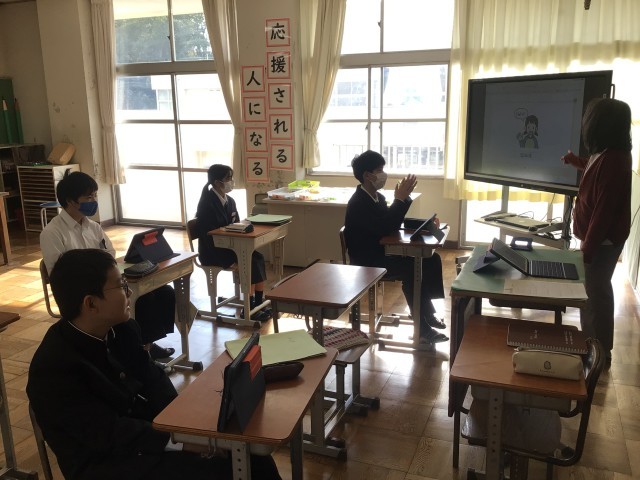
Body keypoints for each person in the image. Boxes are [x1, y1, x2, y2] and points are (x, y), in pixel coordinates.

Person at [26, 249, 281, 480]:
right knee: (221, 469)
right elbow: (107, 433)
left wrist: (185, 425)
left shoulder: (122, 330)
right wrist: (181, 441)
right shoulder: (53, 368)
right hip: (107, 463)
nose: (128, 292)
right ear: (91, 303)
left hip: (146, 440)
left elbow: (153, 379)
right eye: (121, 286)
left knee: (250, 454)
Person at [40, 171, 175, 360]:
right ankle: (138, 353)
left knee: (162, 292)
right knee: (141, 301)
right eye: (89, 197)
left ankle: (146, 346)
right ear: (70, 201)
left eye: (95, 195)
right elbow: (60, 275)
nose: (94, 200)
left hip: (104, 285)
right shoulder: (52, 233)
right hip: (81, 295)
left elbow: (109, 254)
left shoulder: (93, 227)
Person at [344, 150, 448, 344]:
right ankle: (422, 328)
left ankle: (427, 313)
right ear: (367, 175)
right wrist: (400, 199)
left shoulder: (377, 197)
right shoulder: (359, 203)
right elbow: (385, 227)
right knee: (412, 270)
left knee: (431, 259)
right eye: (379, 170)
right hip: (367, 262)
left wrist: (423, 222)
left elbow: (392, 222)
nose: (383, 174)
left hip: (381, 253)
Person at [561, 98, 632, 367]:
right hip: (599, 240)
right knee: (594, 291)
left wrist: (587, 250)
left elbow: (603, 211)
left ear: (599, 125)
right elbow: (593, 168)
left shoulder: (615, 160)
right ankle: (594, 344)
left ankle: (598, 351)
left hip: (602, 242)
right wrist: (575, 161)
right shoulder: (606, 153)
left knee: (595, 293)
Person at [194, 164, 270, 321]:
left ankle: (257, 303)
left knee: (257, 258)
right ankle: (248, 308)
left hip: (231, 247)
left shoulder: (230, 201)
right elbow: (208, 238)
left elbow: (236, 225)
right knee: (248, 263)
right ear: (217, 182)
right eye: (228, 178)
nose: (232, 181)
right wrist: (226, 261)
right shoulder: (207, 204)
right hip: (213, 252)